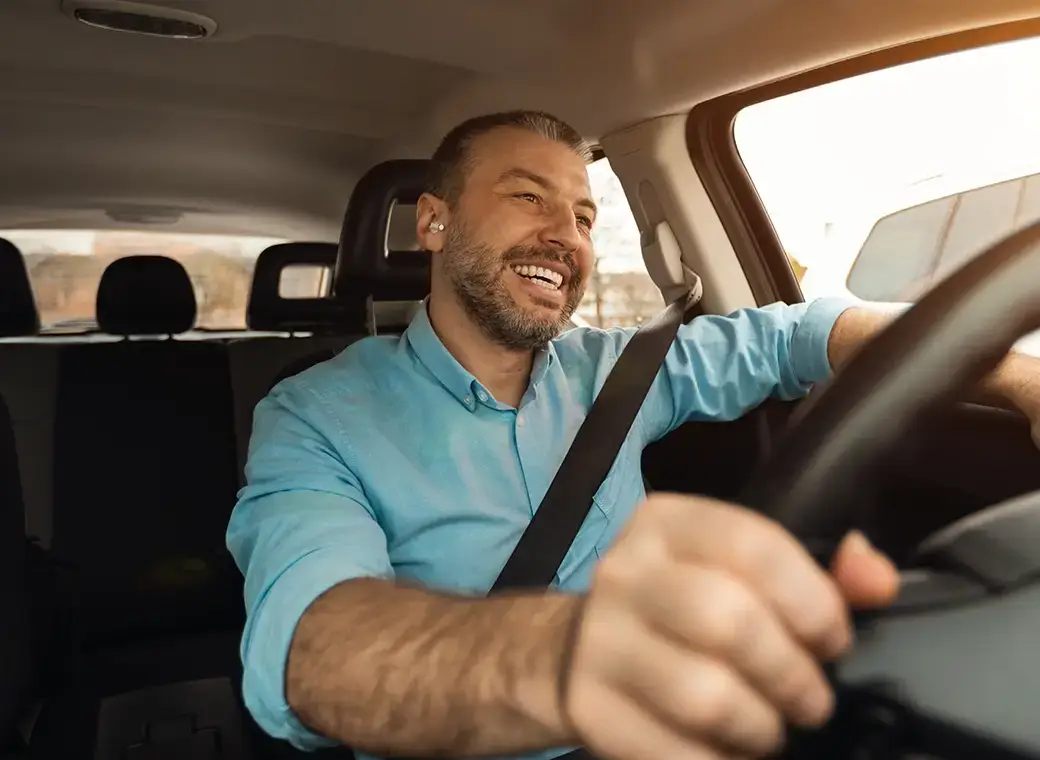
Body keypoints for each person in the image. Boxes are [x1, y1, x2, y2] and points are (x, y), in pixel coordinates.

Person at [227, 110, 1040, 760]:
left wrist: (1021, 379)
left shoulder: (621, 370)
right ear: (433, 223)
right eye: (527, 197)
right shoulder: (314, 414)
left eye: (583, 216)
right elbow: (311, 644)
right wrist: (572, 658)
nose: (566, 235)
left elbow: (803, 335)